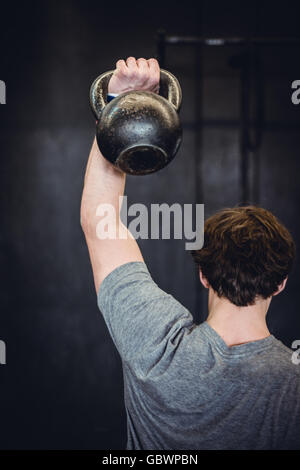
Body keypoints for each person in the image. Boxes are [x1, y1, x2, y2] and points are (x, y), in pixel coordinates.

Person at [81, 57, 300, 450]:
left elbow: (99, 225)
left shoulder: (156, 345)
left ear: (204, 275)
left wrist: (118, 106)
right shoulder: (293, 384)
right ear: (281, 283)